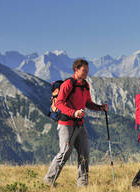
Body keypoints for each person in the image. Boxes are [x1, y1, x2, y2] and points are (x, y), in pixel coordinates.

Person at [44, 59, 108, 187]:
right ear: (76, 70)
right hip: (66, 124)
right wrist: (73, 113)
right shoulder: (68, 84)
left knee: (84, 153)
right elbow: (59, 103)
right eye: (84, 71)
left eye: (87, 71)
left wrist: (100, 107)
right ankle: (49, 181)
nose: (86, 73)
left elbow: (88, 103)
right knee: (64, 153)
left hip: (80, 124)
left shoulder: (85, 85)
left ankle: (83, 185)